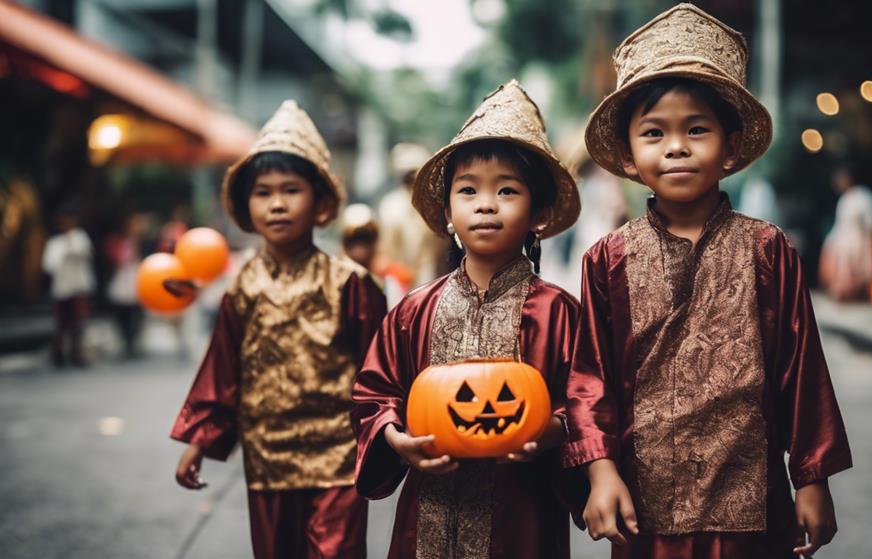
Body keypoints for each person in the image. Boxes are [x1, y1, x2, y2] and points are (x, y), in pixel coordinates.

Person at [564, 4, 853, 558]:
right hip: (643, 505)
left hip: (753, 503)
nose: (676, 146)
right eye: (655, 132)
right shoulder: (608, 258)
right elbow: (589, 379)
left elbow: (801, 368)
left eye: (696, 129)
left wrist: (812, 477)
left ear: (732, 145)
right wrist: (601, 473)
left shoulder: (768, 248)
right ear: (628, 154)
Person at [352, 80, 585, 558]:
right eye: (468, 190)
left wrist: (550, 431)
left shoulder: (557, 311)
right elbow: (374, 392)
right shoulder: (413, 311)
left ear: (539, 211)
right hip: (429, 510)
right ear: (446, 213)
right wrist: (397, 438)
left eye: (506, 190)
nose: (485, 203)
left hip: (523, 515)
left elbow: (586, 401)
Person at [169, 101, 386, 559]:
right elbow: (222, 370)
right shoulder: (241, 288)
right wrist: (200, 440)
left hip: (338, 457)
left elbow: (380, 372)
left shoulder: (351, 283)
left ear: (321, 202)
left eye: (291, 190)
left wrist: (389, 435)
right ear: (247, 206)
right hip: (267, 458)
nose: (278, 204)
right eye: (263, 193)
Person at [377, 142, 450, 306]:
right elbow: (384, 250)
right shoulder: (391, 206)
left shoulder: (435, 205)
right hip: (399, 280)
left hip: (432, 277)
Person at [42, 200, 95, 366]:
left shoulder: (80, 237)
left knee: (78, 323)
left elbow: (84, 253)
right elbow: (49, 265)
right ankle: (58, 353)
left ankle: (77, 353)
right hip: (61, 289)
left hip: (78, 287)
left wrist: (70, 242)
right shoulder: (54, 243)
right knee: (61, 324)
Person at [819, 166, 872, 301]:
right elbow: (839, 225)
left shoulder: (863, 196)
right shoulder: (844, 199)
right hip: (844, 241)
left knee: (864, 273)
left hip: (860, 239)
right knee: (844, 280)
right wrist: (829, 244)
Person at [104, 212, 147, 358]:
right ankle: (126, 340)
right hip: (122, 280)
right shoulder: (117, 241)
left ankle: (133, 341)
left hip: (137, 278)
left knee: (136, 312)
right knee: (122, 311)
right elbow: (115, 259)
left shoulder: (141, 241)